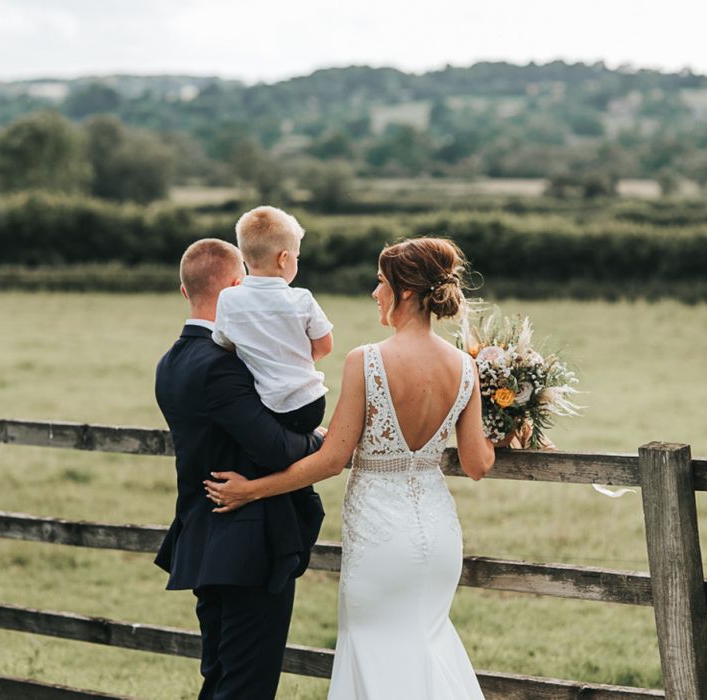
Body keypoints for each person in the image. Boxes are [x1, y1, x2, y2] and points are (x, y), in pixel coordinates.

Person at [206, 237, 496, 699]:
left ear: (404, 292)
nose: (374, 292)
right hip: (439, 536)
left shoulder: (369, 360)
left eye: (381, 283)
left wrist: (252, 490)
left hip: (381, 538)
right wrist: (511, 433)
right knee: (429, 644)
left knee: (374, 652)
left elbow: (331, 459)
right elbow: (478, 463)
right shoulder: (465, 366)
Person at [154, 238, 325, 700]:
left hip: (205, 540)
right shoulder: (223, 363)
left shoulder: (170, 362)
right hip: (247, 548)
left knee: (221, 679)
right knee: (247, 686)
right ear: (235, 288)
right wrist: (323, 439)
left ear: (183, 290)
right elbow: (273, 448)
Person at [212, 205, 333, 433]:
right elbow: (326, 345)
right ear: (284, 258)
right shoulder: (302, 299)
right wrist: (296, 360)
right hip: (311, 404)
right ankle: (313, 438)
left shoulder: (228, 299)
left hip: (265, 405)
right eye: (297, 257)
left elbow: (223, 344)